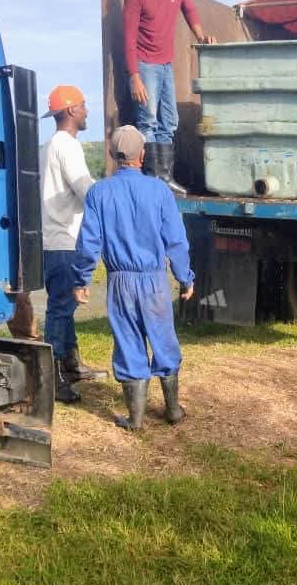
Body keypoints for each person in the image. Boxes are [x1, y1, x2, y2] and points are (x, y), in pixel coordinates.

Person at [72, 125, 195, 431]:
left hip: (120, 282)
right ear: (142, 154)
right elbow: (176, 241)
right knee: (164, 339)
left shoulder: (99, 192)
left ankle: (136, 419)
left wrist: (81, 280)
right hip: (154, 281)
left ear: (113, 155)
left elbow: (88, 242)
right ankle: (173, 411)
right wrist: (185, 278)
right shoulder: (160, 191)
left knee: (128, 343)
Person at [122, 0, 216, 195]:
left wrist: (201, 36)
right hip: (144, 65)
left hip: (165, 63)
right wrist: (134, 76)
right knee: (148, 122)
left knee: (170, 121)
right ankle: (151, 182)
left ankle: (164, 178)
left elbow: (189, 10)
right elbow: (128, 39)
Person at [40, 85, 103, 404]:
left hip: (53, 240)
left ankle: (72, 365)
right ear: (71, 111)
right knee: (60, 310)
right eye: (83, 105)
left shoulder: (48, 146)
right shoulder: (67, 146)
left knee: (64, 306)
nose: (87, 110)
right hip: (64, 240)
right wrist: (113, 197)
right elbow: (87, 191)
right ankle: (51, 380)